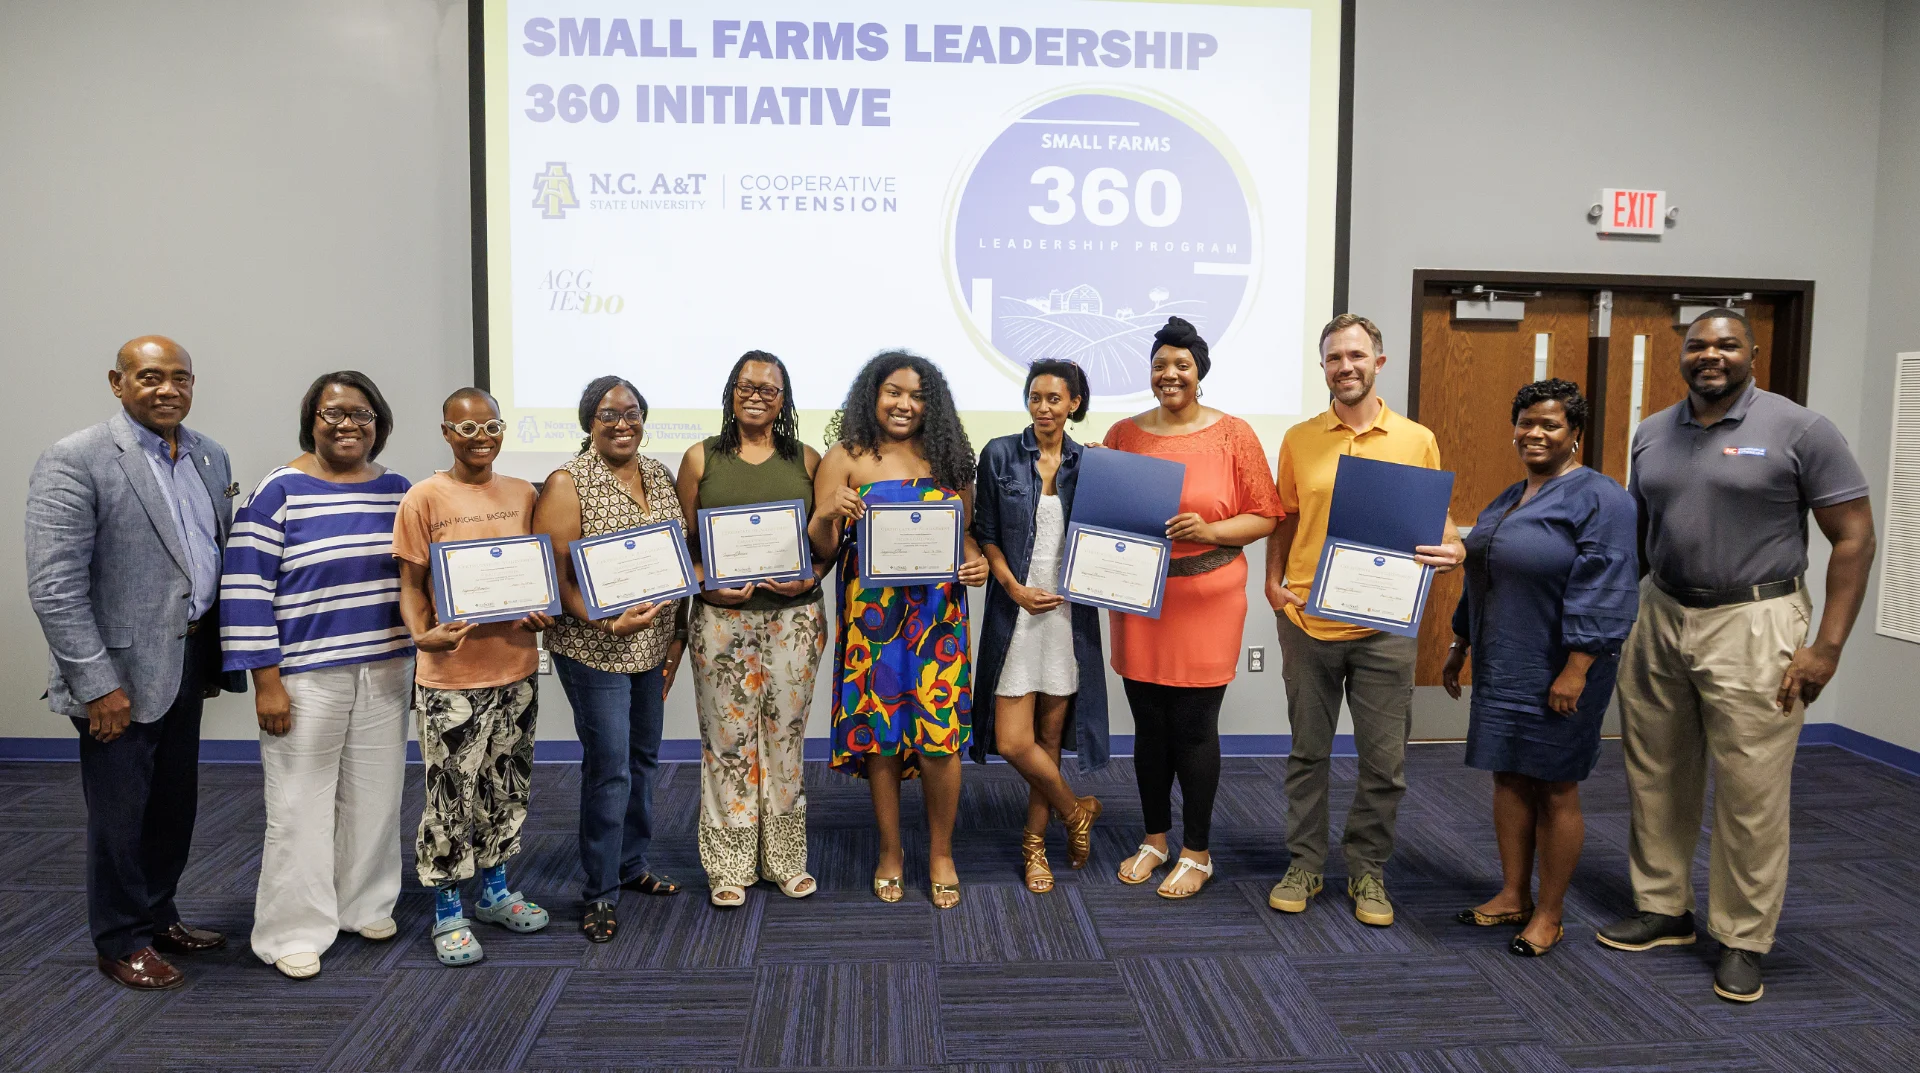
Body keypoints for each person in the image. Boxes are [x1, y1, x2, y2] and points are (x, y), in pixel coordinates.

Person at [1596, 309, 1875, 1003]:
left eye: (1726, 344)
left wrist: (1828, 646)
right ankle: (1664, 907)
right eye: (1698, 345)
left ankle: (1744, 937)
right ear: (1682, 355)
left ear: (1752, 352)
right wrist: (1627, 613)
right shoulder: (1653, 431)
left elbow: (1854, 536)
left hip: (1756, 618)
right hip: (1663, 609)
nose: (1710, 355)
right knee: (1654, 768)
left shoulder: (1800, 430)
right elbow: (1642, 528)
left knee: (1750, 790)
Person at [25, 335, 244, 990]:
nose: (167, 388)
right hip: (116, 675)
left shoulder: (209, 453)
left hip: (188, 656)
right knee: (120, 815)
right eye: (150, 376)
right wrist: (97, 684)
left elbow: (208, 550)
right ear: (118, 382)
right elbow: (54, 586)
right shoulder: (77, 459)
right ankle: (120, 939)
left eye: (180, 377)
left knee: (173, 804)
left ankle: (157, 911)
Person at [1264, 313, 1465, 927]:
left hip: (1384, 628)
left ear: (1378, 362)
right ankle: (1304, 863)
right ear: (1322, 367)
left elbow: (1438, 521)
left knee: (1385, 762)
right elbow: (1287, 519)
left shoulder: (1416, 439)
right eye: (1332, 358)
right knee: (1308, 753)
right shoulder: (1300, 439)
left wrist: (1455, 547)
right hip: (1308, 622)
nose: (1343, 367)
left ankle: (1368, 871)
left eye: (1355, 355)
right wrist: (1272, 583)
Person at [219, 371, 414, 980]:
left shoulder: (399, 490)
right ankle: (291, 930)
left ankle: (366, 903)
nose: (347, 424)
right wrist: (266, 681)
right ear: (312, 420)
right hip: (305, 678)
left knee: (377, 797)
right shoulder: (278, 491)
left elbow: (422, 576)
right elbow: (244, 586)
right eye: (334, 413)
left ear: (378, 423)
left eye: (361, 414)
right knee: (299, 806)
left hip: (385, 668)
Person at [1441, 379, 1637, 957]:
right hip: (1504, 661)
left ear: (1575, 434)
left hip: (1562, 668)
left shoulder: (1603, 499)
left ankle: (1549, 913)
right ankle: (1511, 894)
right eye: (1526, 422)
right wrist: (1459, 643)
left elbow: (1608, 585)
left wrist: (1576, 668)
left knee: (1555, 787)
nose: (1534, 433)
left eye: (1549, 424)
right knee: (1508, 776)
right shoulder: (1510, 498)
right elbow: (1485, 570)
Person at [1106, 318, 1284, 899]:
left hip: (1207, 600)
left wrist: (1209, 529)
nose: (1170, 374)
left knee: (1193, 727)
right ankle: (1155, 839)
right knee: (1148, 725)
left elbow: (1265, 513)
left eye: (1181, 364)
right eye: (1160, 364)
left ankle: (1197, 851)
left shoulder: (1234, 435)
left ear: (1200, 371)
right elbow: (1105, 514)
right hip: (1140, 600)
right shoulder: (1122, 434)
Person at [808, 351, 989, 909]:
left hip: (937, 624)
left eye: (916, 395)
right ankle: (890, 852)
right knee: (882, 739)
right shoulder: (846, 457)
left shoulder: (952, 460)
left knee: (939, 741)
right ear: (872, 395)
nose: (904, 404)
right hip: (873, 628)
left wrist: (977, 560)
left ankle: (940, 852)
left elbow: (966, 539)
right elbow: (820, 549)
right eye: (893, 392)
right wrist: (826, 514)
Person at [392, 388, 555, 966]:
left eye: (491, 427)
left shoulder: (523, 494)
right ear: (445, 432)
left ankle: (495, 892)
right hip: (452, 676)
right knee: (450, 795)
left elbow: (539, 572)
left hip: (517, 669)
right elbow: (410, 585)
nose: (480, 438)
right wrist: (421, 635)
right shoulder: (423, 498)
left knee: (505, 786)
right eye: (467, 429)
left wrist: (543, 606)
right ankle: (447, 909)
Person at [534, 376, 688, 941]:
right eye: (607, 414)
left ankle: (632, 865)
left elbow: (674, 562)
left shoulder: (659, 475)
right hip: (595, 647)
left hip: (651, 645)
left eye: (631, 412)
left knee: (645, 758)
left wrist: (675, 641)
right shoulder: (567, 482)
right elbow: (554, 574)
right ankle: (599, 890)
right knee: (611, 766)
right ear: (587, 422)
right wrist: (604, 619)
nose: (621, 423)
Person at [674, 351, 829, 908]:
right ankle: (729, 864)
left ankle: (786, 859)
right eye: (746, 386)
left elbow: (824, 546)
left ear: (783, 399)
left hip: (794, 620)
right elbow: (683, 547)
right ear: (730, 392)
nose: (756, 395)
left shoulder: (808, 459)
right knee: (727, 744)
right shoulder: (700, 459)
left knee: (785, 739)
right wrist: (705, 586)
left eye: (768, 388)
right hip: (721, 622)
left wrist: (810, 576)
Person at [971, 359, 1109, 894]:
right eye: (1035, 397)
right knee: (1013, 742)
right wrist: (1013, 588)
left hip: (1068, 621)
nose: (1044, 407)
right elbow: (985, 531)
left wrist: (1106, 469)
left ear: (1074, 403)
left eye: (1055, 398)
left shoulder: (1088, 464)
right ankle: (1077, 812)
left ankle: (1035, 850)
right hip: (1016, 615)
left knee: (1048, 743)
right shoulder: (1001, 454)